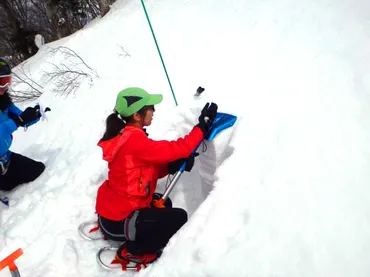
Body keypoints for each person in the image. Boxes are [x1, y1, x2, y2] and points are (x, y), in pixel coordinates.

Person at [95, 87, 218, 266]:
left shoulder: (127, 136)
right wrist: (202, 127)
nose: (154, 111)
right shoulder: (134, 140)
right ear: (137, 115)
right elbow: (180, 148)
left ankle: (135, 231)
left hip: (113, 211)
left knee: (164, 204)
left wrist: (170, 166)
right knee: (178, 218)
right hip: (118, 220)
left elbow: (142, 171)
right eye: (150, 107)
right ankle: (131, 251)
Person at [0, 58, 47, 192]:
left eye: (7, 82)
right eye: (1, 83)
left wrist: (36, 114)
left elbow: (21, 117)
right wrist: (16, 121)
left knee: (37, 169)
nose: (4, 88)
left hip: (5, 158)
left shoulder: (4, 102)